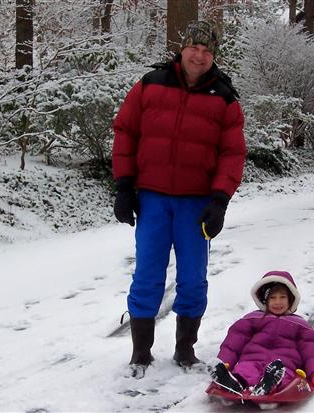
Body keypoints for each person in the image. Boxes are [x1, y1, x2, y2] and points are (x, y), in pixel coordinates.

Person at [111, 20, 246, 378]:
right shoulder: (150, 85)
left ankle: (185, 350)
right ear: (182, 49)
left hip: (196, 203)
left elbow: (232, 154)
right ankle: (141, 353)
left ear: (213, 56)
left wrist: (219, 200)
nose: (199, 55)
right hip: (153, 199)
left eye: (206, 51)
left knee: (192, 278)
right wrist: (124, 186)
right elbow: (125, 131)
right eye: (193, 48)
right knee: (147, 275)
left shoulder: (225, 97)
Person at [208, 271, 314, 396]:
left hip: (283, 364)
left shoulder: (299, 324)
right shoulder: (253, 318)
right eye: (272, 298)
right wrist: (225, 362)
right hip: (251, 360)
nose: (278, 302)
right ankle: (233, 383)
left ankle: (270, 384)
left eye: (282, 297)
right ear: (265, 300)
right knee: (245, 371)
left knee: (285, 375)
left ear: (291, 299)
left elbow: (312, 351)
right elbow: (233, 343)